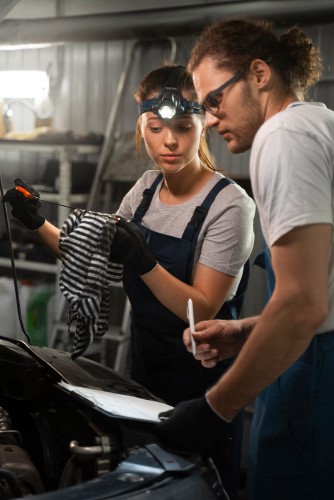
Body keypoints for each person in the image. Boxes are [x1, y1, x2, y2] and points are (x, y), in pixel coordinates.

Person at [2, 64, 255, 499]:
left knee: (199, 485)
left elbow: (204, 307)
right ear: (142, 127)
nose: (170, 141)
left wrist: (142, 260)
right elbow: (90, 254)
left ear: (203, 126)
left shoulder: (229, 206)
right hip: (141, 372)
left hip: (204, 383)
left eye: (183, 126)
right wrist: (36, 222)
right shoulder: (144, 189)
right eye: (156, 128)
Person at [155, 18, 334, 500]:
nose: (210, 120)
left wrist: (216, 408)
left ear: (259, 74)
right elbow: (325, 293)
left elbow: (302, 304)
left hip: (313, 386)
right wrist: (245, 330)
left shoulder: (283, 137)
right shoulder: (321, 124)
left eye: (215, 101)